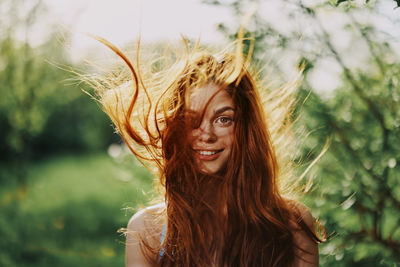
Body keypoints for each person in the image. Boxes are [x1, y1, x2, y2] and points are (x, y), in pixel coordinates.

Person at [89, 35, 325, 266]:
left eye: (223, 119)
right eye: (192, 120)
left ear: (246, 128)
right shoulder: (146, 230)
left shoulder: (292, 223)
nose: (207, 135)